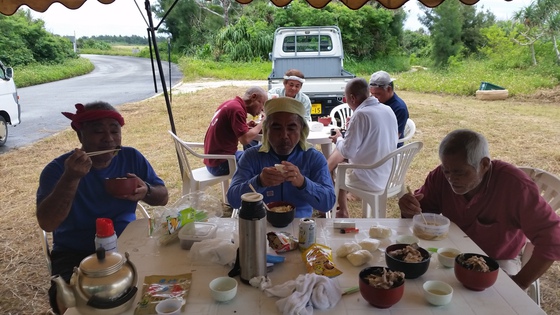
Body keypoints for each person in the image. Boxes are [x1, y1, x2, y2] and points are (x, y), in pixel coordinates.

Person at [36, 101, 169, 315]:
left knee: (154, 285)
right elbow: (47, 223)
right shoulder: (58, 170)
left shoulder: (130, 157)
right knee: (67, 303)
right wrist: (71, 178)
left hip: (127, 244)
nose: (108, 138)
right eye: (98, 131)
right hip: (75, 252)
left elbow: (163, 198)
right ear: (80, 136)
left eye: (115, 131)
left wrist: (147, 190)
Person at [398, 129, 560, 290]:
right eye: (446, 171)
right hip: (451, 252)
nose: (451, 179)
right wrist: (409, 208)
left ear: (484, 164)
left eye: (459, 172)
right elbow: (422, 215)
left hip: (498, 260)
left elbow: (552, 239)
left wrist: (521, 282)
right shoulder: (440, 176)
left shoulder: (515, 186)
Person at [227, 97, 335, 218]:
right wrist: (259, 182)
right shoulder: (252, 157)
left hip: (299, 226)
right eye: (276, 128)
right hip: (260, 224)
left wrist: (303, 183)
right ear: (267, 130)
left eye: (291, 128)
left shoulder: (313, 158)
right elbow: (233, 200)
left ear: (301, 130)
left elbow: (328, 203)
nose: (284, 135)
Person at [327, 78, 398, 218]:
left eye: (345, 99)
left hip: (370, 176)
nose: (346, 102)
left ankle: (342, 211)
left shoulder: (361, 114)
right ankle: (342, 209)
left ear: (352, 98)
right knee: (341, 164)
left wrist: (339, 138)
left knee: (338, 167)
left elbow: (347, 151)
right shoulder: (387, 109)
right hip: (388, 173)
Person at [203, 86, 268, 176]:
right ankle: (246, 189)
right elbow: (245, 140)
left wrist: (246, 126)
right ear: (253, 97)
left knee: (254, 156)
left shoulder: (231, 104)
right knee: (258, 162)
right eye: (262, 104)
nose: (262, 109)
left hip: (213, 159)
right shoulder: (237, 110)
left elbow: (228, 129)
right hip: (221, 163)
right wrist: (263, 123)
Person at [369, 70, 409, 147]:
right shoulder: (375, 101)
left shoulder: (399, 108)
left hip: (389, 149)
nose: (374, 97)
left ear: (389, 89)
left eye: (377, 94)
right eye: (372, 94)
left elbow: (393, 138)